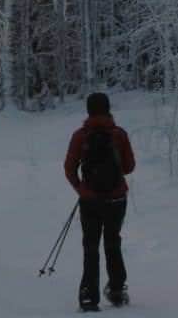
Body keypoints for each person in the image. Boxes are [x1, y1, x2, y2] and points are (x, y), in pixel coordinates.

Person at [63, 92, 136, 312]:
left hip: (90, 201)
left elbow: (69, 168)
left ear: (88, 110)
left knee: (90, 246)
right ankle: (116, 290)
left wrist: (81, 188)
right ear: (108, 108)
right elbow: (129, 167)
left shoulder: (80, 136)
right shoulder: (119, 134)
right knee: (113, 242)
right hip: (116, 199)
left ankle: (88, 298)